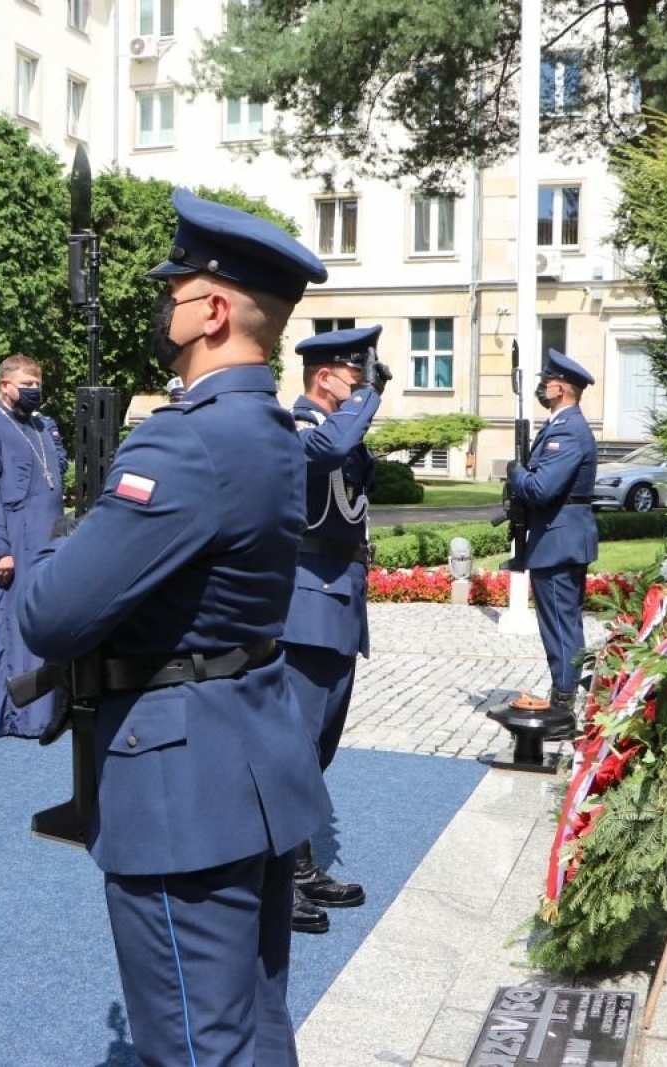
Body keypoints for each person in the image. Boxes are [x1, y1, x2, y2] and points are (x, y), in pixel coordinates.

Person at [17, 189, 332, 1067]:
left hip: (182, 780)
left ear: (216, 310)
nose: (167, 305)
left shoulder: (183, 441)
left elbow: (50, 613)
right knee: (256, 1026)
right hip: (251, 753)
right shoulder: (270, 427)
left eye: (178, 288)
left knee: (196, 1044)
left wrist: (70, 540)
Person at [284, 325, 392, 935]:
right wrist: (363, 403)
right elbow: (324, 456)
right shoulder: (296, 428)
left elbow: (356, 481)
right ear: (325, 377)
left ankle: (300, 866)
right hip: (304, 609)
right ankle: (276, 879)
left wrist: (361, 410)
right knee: (291, 749)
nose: (363, 392)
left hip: (339, 606)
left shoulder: (340, 436)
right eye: (354, 380)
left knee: (316, 750)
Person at [0, 355, 66, 738]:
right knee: (7, 629)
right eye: (26, 384)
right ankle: (8, 716)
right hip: (11, 541)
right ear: (5, 385)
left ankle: (44, 712)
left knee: (40, 622)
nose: (34, 390)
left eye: (37, 383)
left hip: (45, 540)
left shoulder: (42, 426)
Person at [507, 348, 600, 733]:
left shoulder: (567, 430)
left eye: (547, 382)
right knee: (559, 624)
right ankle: (563, 696)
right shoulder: (560, 425)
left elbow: (542, 488)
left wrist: (515, 473)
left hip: (560, 541)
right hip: (557, 538)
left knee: (561, 626)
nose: (543, 387)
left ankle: (564, 709)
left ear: (561, 388)